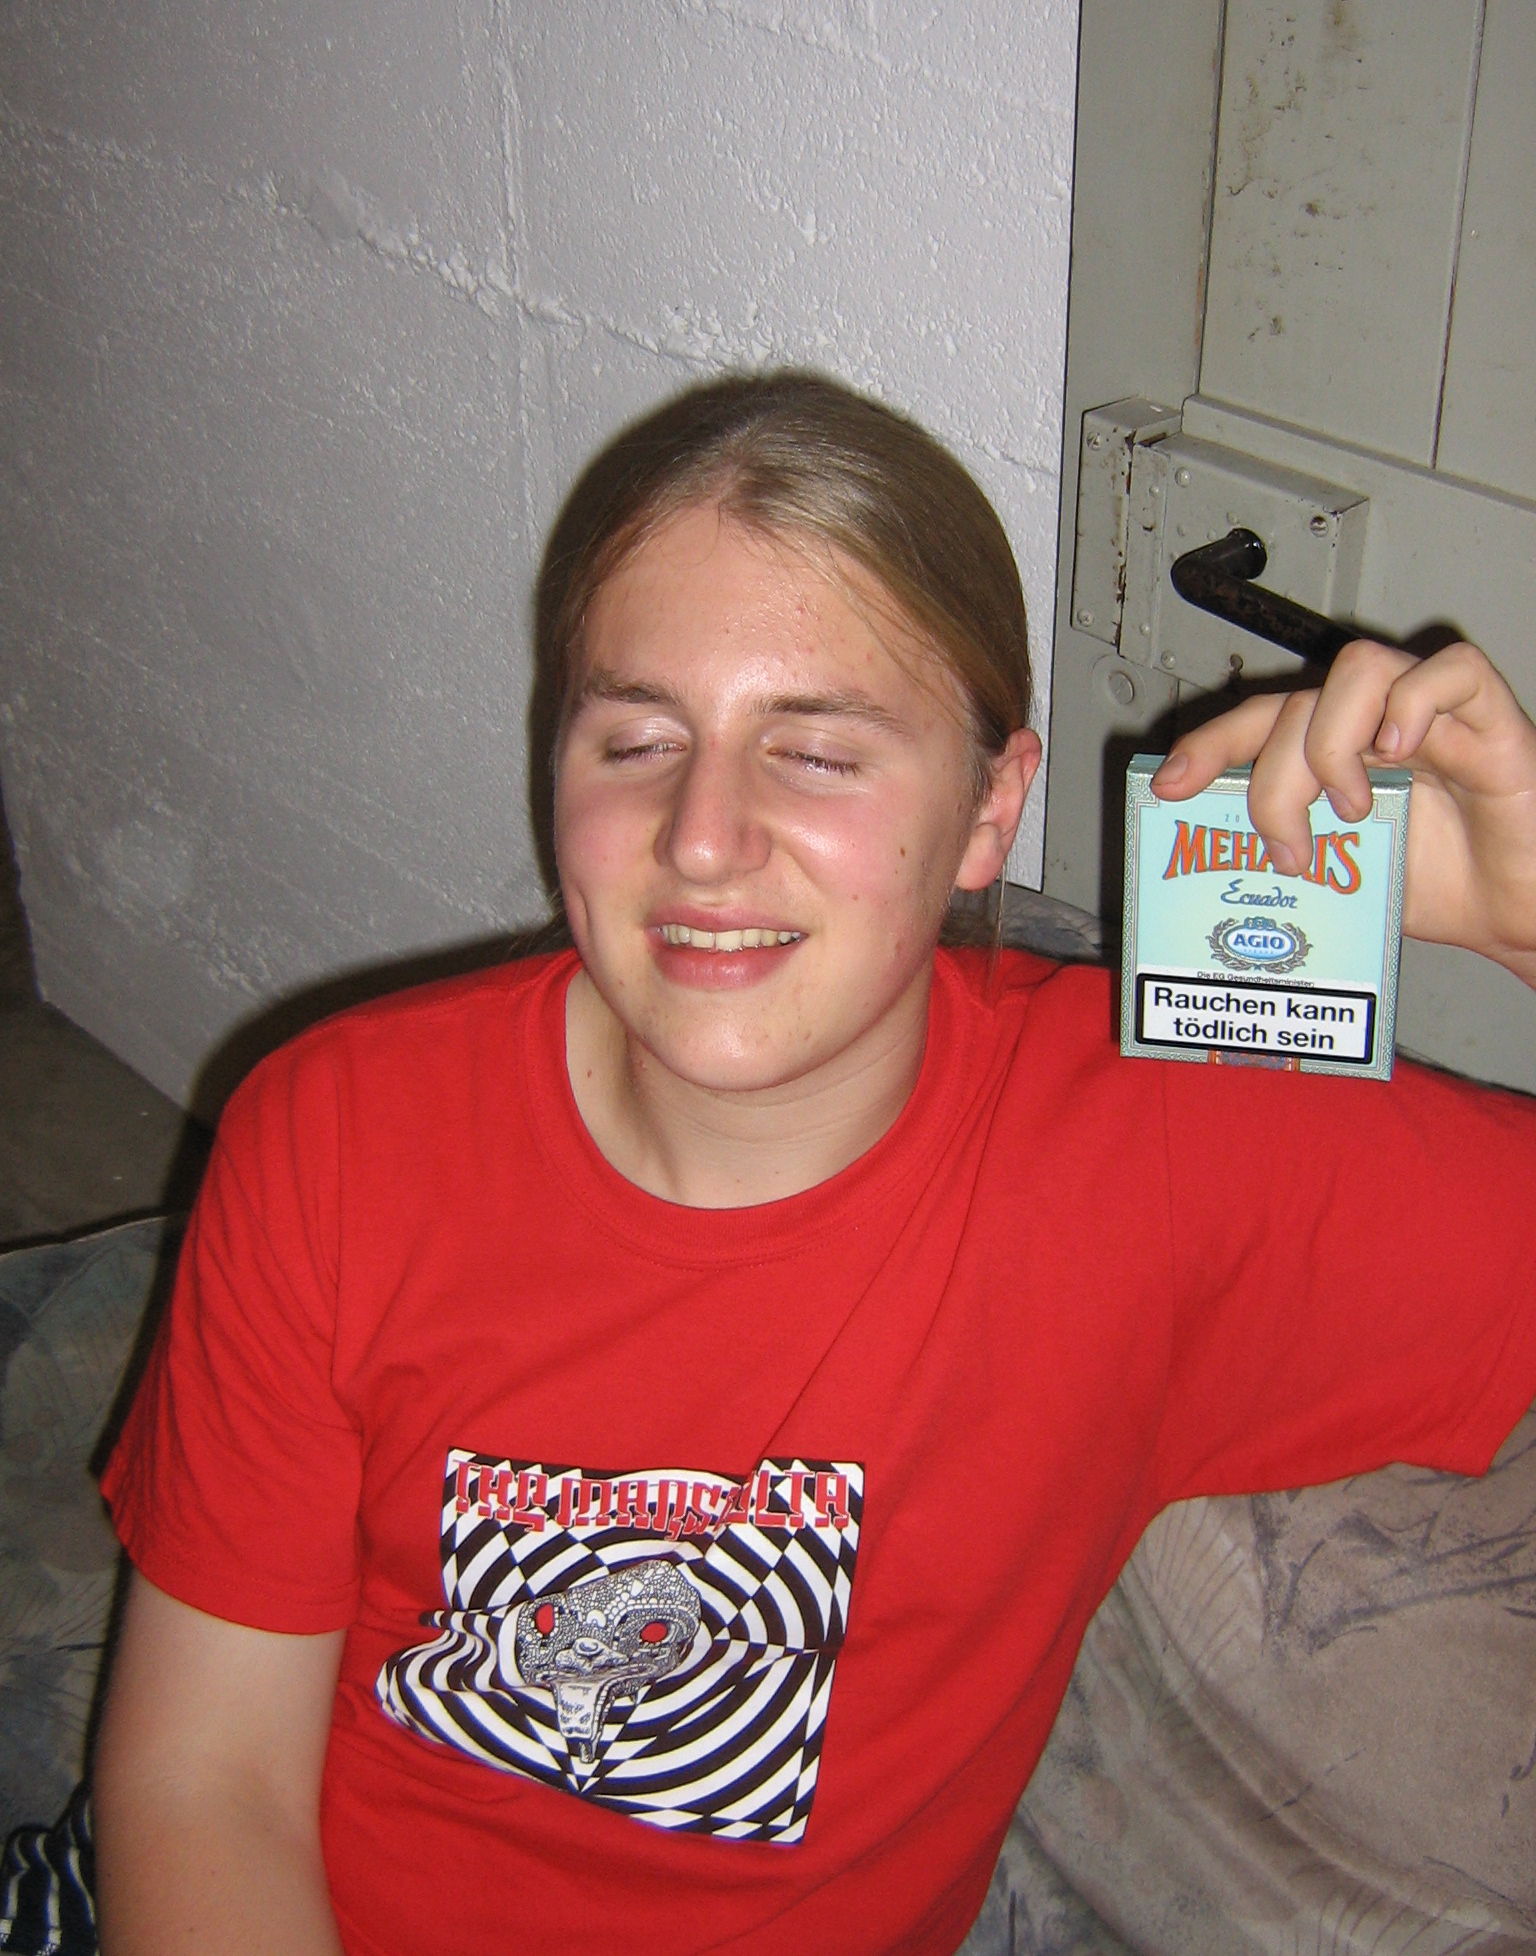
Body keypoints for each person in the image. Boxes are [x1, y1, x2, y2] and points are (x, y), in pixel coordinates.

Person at [91, 374, 1536, 1956]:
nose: (702, 837)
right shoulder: (334, 1136)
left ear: (989, 808)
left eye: (820, 754)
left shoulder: (1156, 1158)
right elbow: (202, 1784)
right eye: (637, 738)